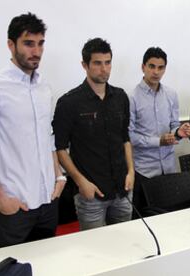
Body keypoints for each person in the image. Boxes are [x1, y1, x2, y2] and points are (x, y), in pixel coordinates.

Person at [0, 13, 65, 250]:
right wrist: (1, 198)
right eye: (28, 43)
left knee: (47, 268)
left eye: (40, 43)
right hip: (13, 208)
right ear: (11, 45)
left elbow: (47, 138)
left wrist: (59, 176)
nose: (36, 51)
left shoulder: (43, 88)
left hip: (47, 202)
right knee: (7, 271)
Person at [52, 38, 134, 230]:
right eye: (97, 63)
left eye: (108, 62)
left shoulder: (121, 97)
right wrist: (80, 182)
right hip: (91, 194)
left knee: (125, 244)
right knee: (95, 252)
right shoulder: (69, 103)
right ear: (85, 65)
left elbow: (125, 139)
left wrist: (131, 172)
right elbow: (60, 148)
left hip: (123, 190)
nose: (104, 68)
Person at [129, 47, 190, 216]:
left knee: (172, 218)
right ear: (143, 67)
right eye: (152, 66)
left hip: (169, 168)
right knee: (146, 220)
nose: (156, 72)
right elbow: (130, 136)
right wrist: (159, 141)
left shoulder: (171, 94)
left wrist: (180, 131)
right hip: (144, 171)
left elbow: (173, 124)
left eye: (160, 67)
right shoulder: (132, 97)